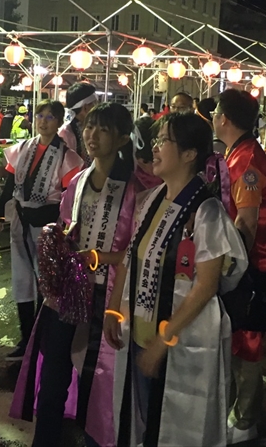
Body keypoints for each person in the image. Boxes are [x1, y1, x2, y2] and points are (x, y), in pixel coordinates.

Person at [106, 113, 247, 447]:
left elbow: (206, 286)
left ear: (189, 154)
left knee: (176, 427)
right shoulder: (152, 199)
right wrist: (113, 309)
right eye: (156, 140)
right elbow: (131, 257)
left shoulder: (206, 211)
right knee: (143, 421)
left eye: (164, 141)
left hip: (181, 342)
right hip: (140, 333)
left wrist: (162, 340)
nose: (154, 148)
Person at [11, 103, 142, 447]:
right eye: (89, 127)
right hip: (70, 291)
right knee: (53, 374)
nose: (92, 135)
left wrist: (99, 257)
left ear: (123, 138)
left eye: (103, 130)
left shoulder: (137, 188)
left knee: (97, 379)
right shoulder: (80, 180)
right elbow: (68, 227)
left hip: (108, 295)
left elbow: (139, 250)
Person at [0, 100, 83, 361]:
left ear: (59, 122)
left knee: (46, 281)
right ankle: (26, 337)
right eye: (40, 116)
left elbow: (69, 195)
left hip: (48, 223)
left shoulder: (67, 156)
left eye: (50, 117)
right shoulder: (23, 148)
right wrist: (0, 214)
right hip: (21, 219)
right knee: (22, 278)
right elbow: (11, 183)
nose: (43, 121)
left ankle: (42, 338)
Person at [212, 90, 266, 435]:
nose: (213, 118)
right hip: (247, 259)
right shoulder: (238, 152)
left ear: (224, 118)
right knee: (237, 337)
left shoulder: (246, 160)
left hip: (252, 264)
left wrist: (234, 270)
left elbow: (247, 221)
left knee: (247, 340)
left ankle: (245, 418)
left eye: (215, 112)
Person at [59, 82, 98, 166]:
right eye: (95, 104)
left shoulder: (80, 128)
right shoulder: (66, 133)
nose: (97, 108)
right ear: (85, 108)